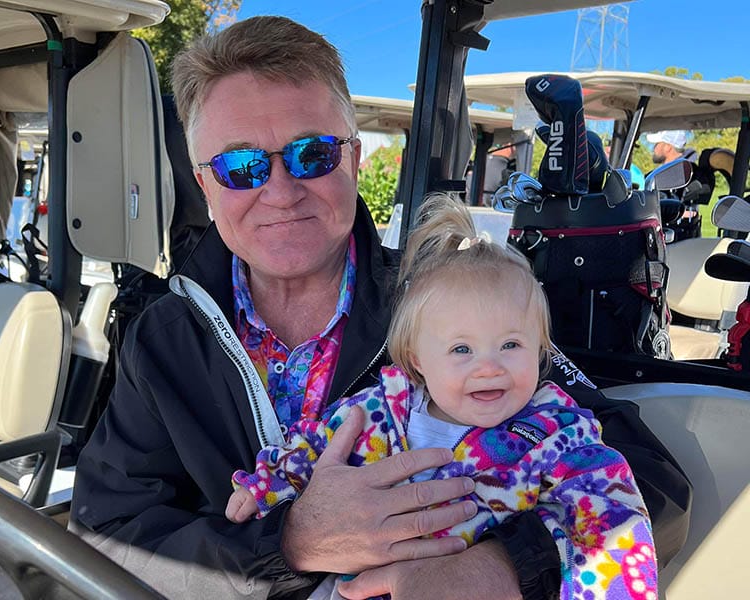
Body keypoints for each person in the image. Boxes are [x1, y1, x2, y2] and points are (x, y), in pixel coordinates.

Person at [69, 15, 690, 600]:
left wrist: (501, 568)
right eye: (240, 166)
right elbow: (107, 538)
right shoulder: (165, 337)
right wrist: (288, 545)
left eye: (312, 153)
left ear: (354, 159)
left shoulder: (451, 302)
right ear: (204, 184)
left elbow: (654, 485)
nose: (281, 191)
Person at [227, 194, 658, 600]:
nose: (489, 366)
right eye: (461, 350)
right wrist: (266, 486)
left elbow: (612, 517)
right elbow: (311, 449)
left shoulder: (557, 432)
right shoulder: (378, 412)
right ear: (419, 361)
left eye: (511, 345)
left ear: (541, 348)